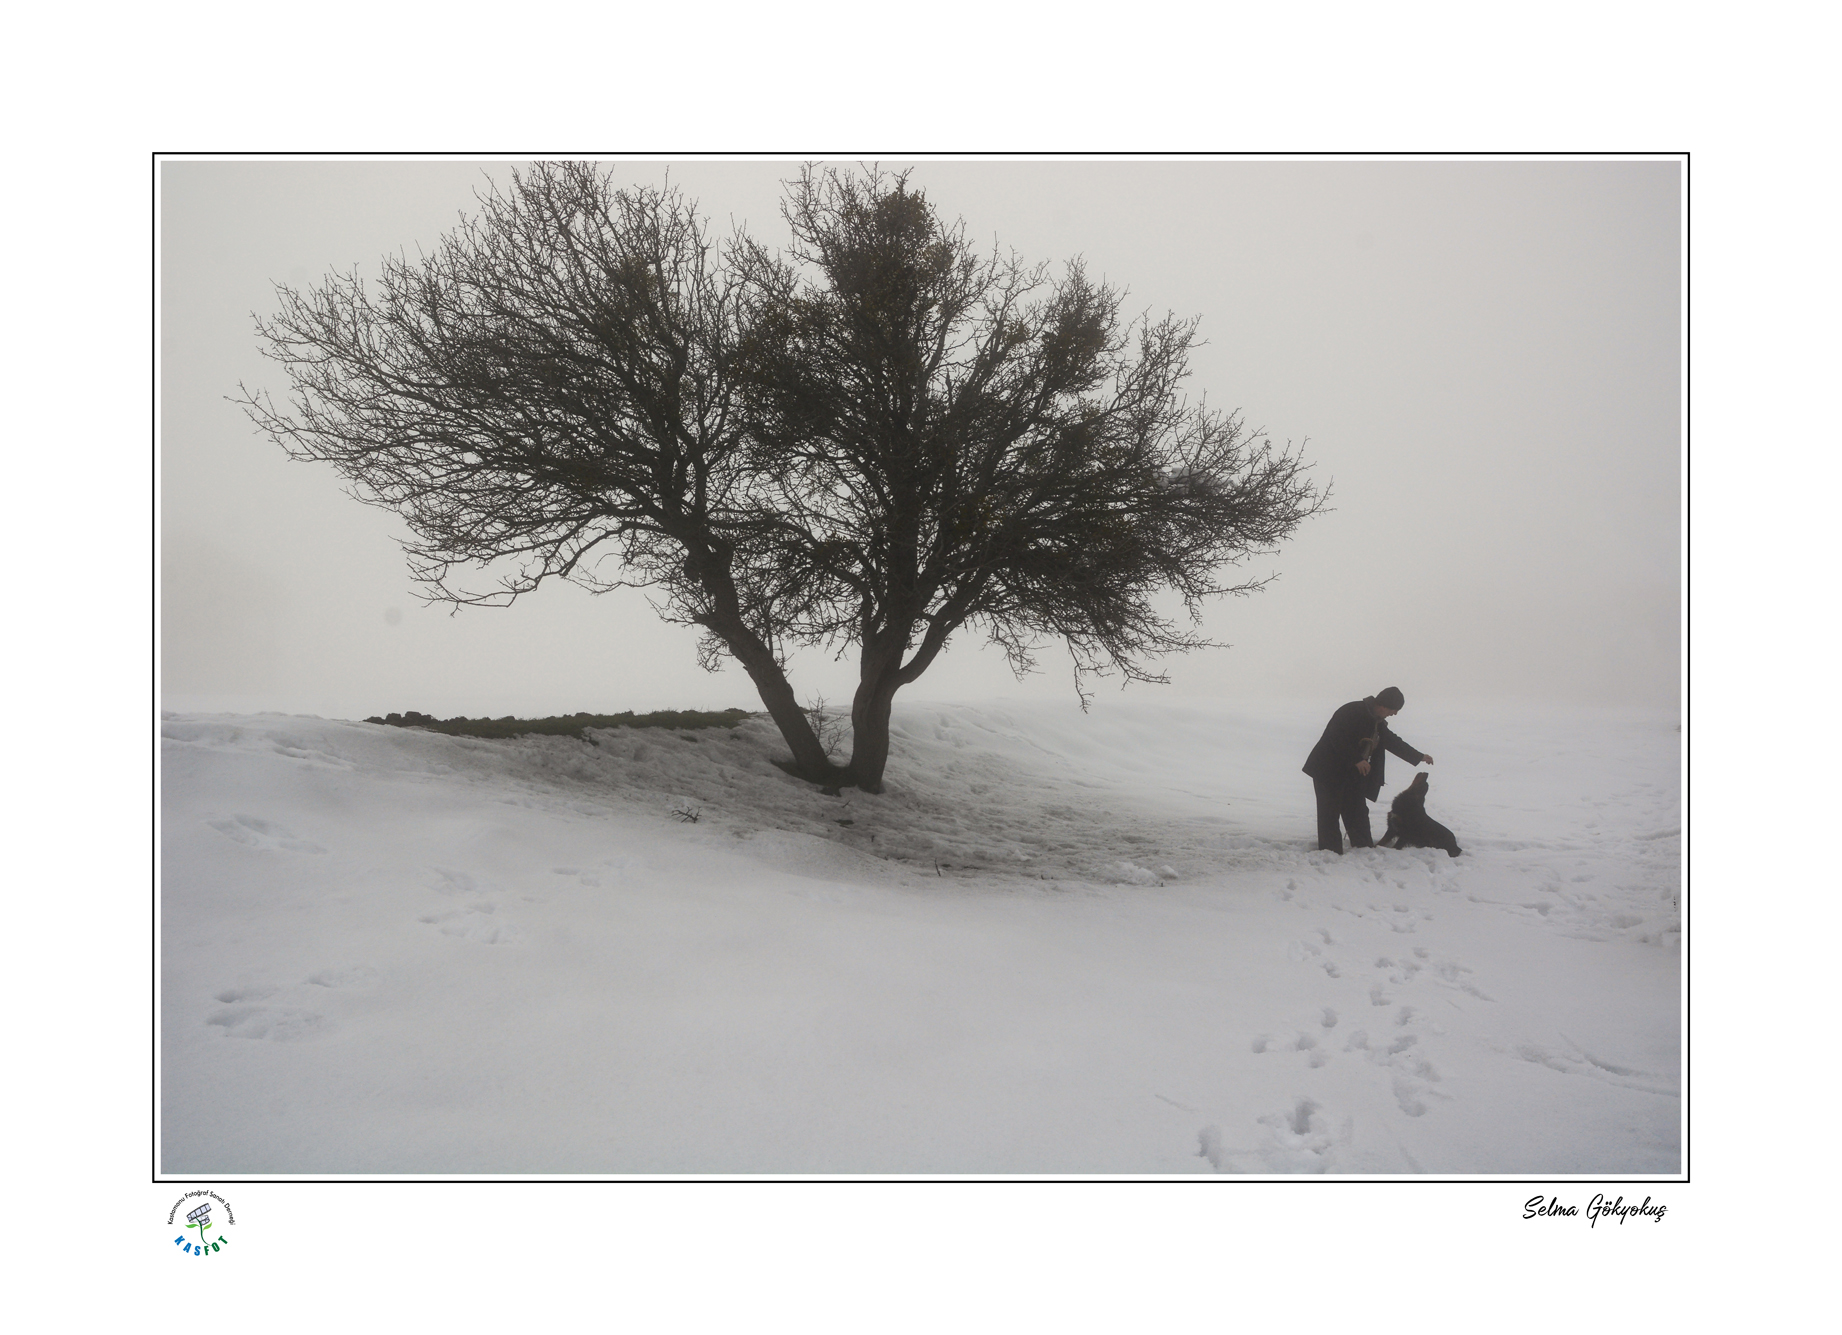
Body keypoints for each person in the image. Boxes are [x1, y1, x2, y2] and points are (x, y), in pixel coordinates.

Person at [1301, 686, 1434, 854]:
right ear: (1384, 706)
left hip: (1351, 774)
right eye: (1394, 710)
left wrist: (1419, 756)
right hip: (1328, 770)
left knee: (1357, 810)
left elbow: (1392, 741)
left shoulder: (1376, 721)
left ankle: (1363, 849)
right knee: (1329, 812)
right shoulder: (1351, 711)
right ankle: (1330, 853)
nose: (1394, 714)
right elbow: (1335, 737)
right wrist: (1356, 759)